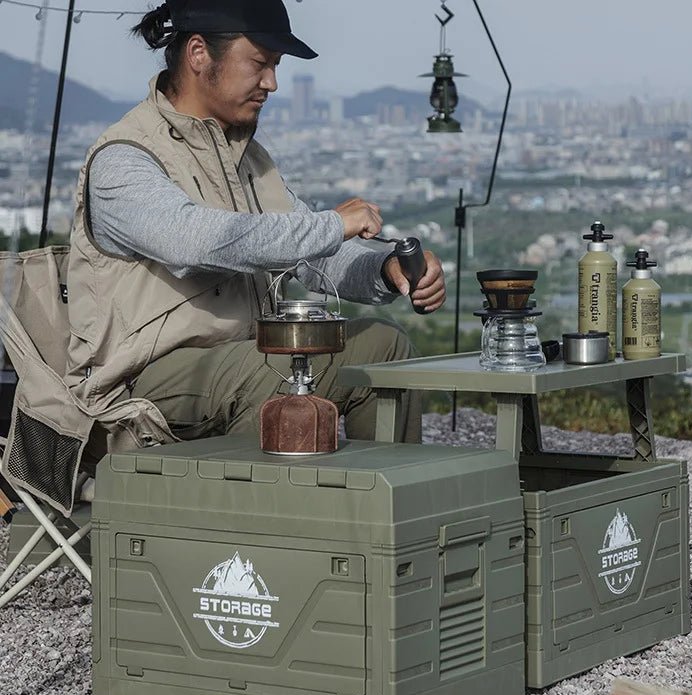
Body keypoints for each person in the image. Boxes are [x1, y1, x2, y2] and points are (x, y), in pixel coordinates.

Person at [64, 0, 445, 456]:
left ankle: (393, 511)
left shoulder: (247, 159)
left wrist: (386, 271)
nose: (272, 83)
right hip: (141, 382)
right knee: (279, 372)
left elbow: (312, 255)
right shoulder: (124, 157)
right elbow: (196, 241)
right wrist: (331, 224)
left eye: (276, 66)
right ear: (199, 53)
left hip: (244, 358)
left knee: (384, 344)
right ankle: (259, 521)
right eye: (260, 63)